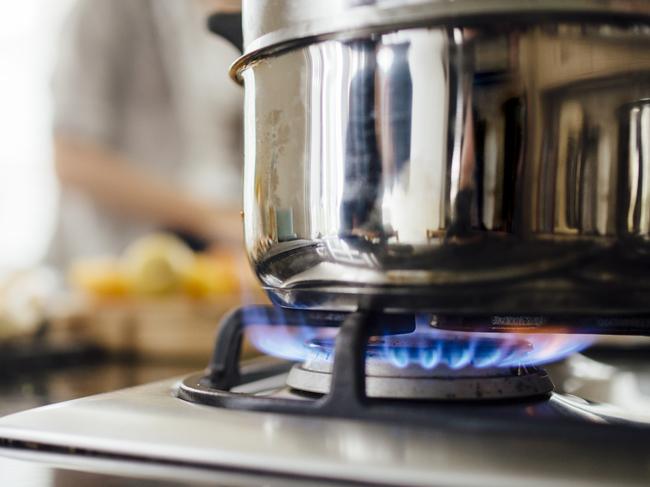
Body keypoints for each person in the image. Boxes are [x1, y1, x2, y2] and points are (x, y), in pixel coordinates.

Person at [47, 0, 243, 267]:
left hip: (207, 258)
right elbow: (72, 158)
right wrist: (213, 219)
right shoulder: (104, 10)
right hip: (113, 260)